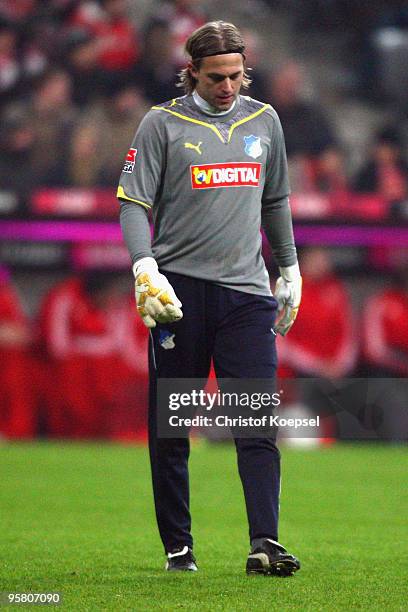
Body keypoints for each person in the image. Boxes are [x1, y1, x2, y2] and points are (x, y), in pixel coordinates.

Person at [118, 21, 302, 575]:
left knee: (256, 423)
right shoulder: (161, 124)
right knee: (172, 429)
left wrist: (289, 267)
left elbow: (276, 199)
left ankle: (264, 543)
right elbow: (131, 201)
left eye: (237, 75)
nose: (228, 86)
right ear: (192, 72)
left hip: (246, 295)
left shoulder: (263, 120)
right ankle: (179, 550)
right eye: (217, 76)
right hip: (180, 294)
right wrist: (144, 264)